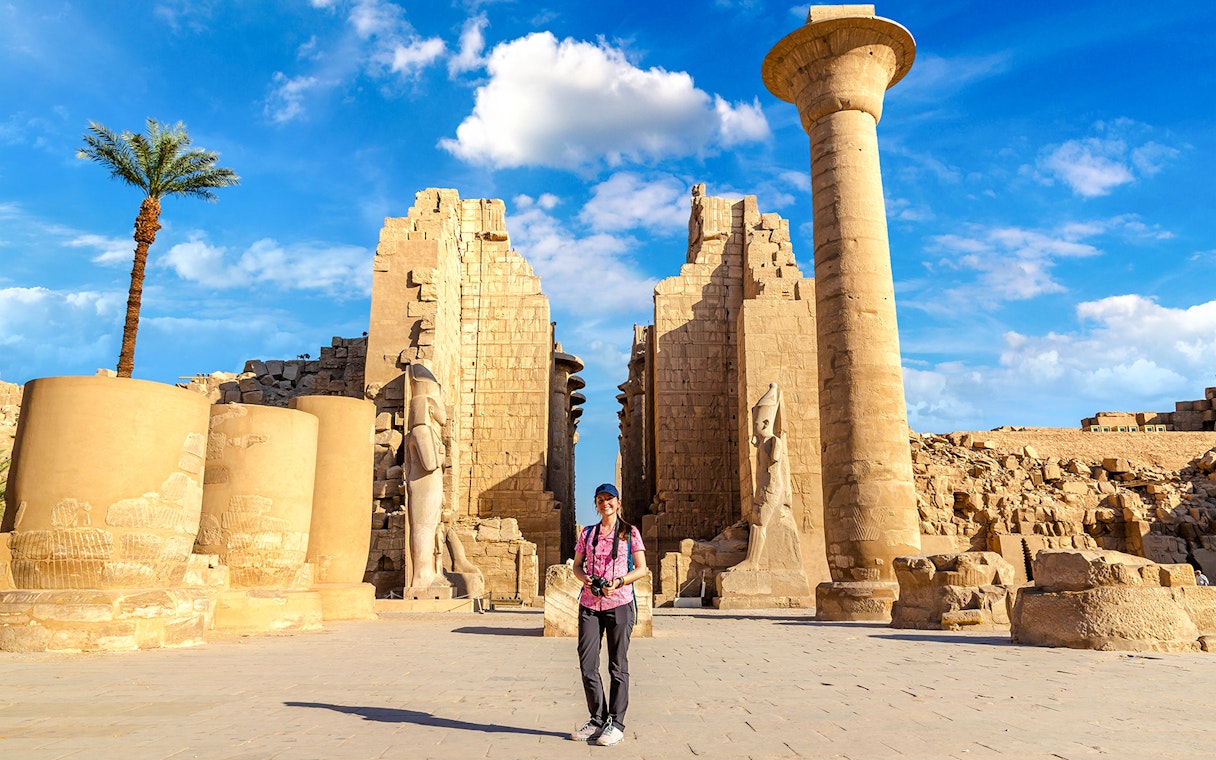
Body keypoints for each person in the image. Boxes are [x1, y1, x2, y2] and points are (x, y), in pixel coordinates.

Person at [569, 483, 647, 746]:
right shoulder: (587, 534)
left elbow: (642, 568)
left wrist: (620, 581)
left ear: (618, 501)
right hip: (590, 603)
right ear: (596, 503)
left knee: (617, 665)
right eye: (601, 499)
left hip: (620, 602)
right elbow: (577, 567)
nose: (605, 503)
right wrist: (586, 579)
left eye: (609, 499)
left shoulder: (630, 532)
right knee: (587, 663)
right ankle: (597, 719)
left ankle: (617, 722)